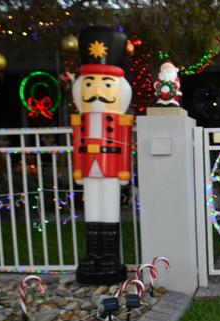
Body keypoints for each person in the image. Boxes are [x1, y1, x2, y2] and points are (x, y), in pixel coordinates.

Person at [71, 25, 133, 284]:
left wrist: (124, 172)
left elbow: (125, 144)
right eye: (90, 82)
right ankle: (92, 255)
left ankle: (109, 256)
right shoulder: (80, 121)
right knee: (92, 211)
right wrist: (77, 169)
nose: (97, 90)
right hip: (89, 170)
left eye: (106, 83)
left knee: (109, 211)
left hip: (109, 170)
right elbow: (77, 144)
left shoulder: (121, 122)